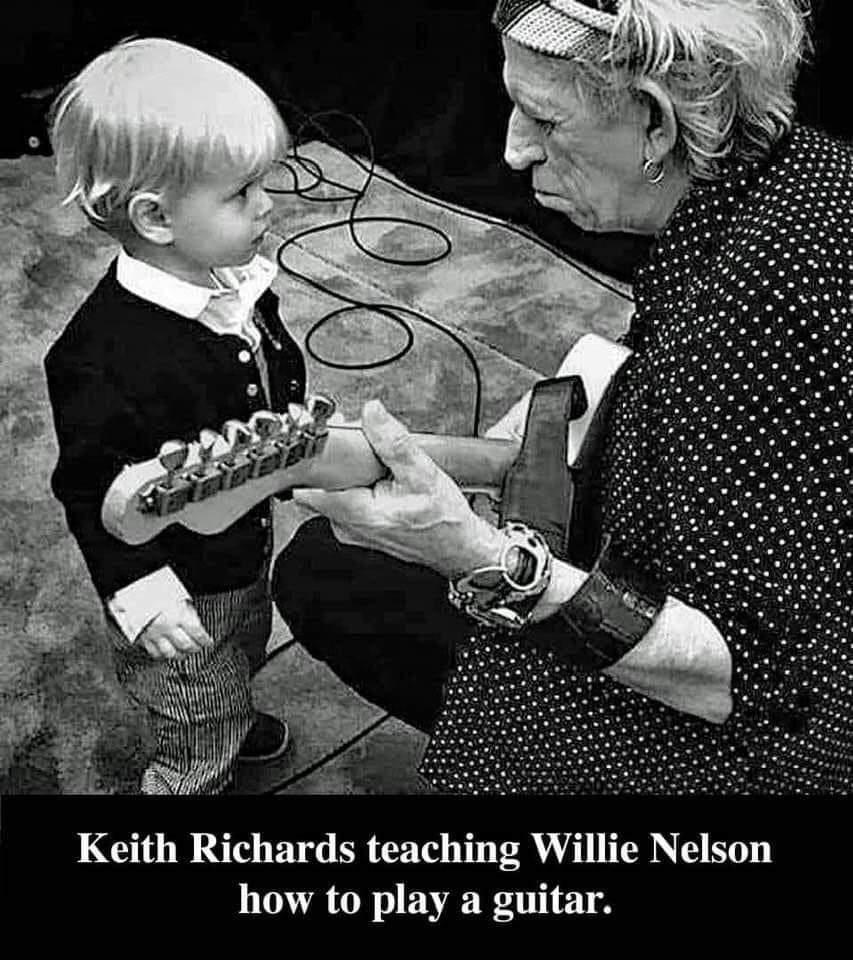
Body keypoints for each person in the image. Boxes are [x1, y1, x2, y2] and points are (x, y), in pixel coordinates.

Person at [273, 0, 851, 794]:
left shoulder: (751, 318)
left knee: (324, 576)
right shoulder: (808, 176)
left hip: (773, 747)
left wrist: (473, 556)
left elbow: (746, 679)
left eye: (544, 119)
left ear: (654, 122)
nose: (513, 150)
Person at [44, 38, 306, 794]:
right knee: (194, 705)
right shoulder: (99, 358)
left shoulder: (235, 282)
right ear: (155, 218)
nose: (269, 205)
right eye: (241, 194)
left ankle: (229, 704)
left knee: (244, 641)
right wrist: (137, 587)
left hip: (237, 547)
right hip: (175, 580)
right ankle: (195, 763)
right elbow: (90, 487)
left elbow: (270, 368)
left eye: (266, 182)